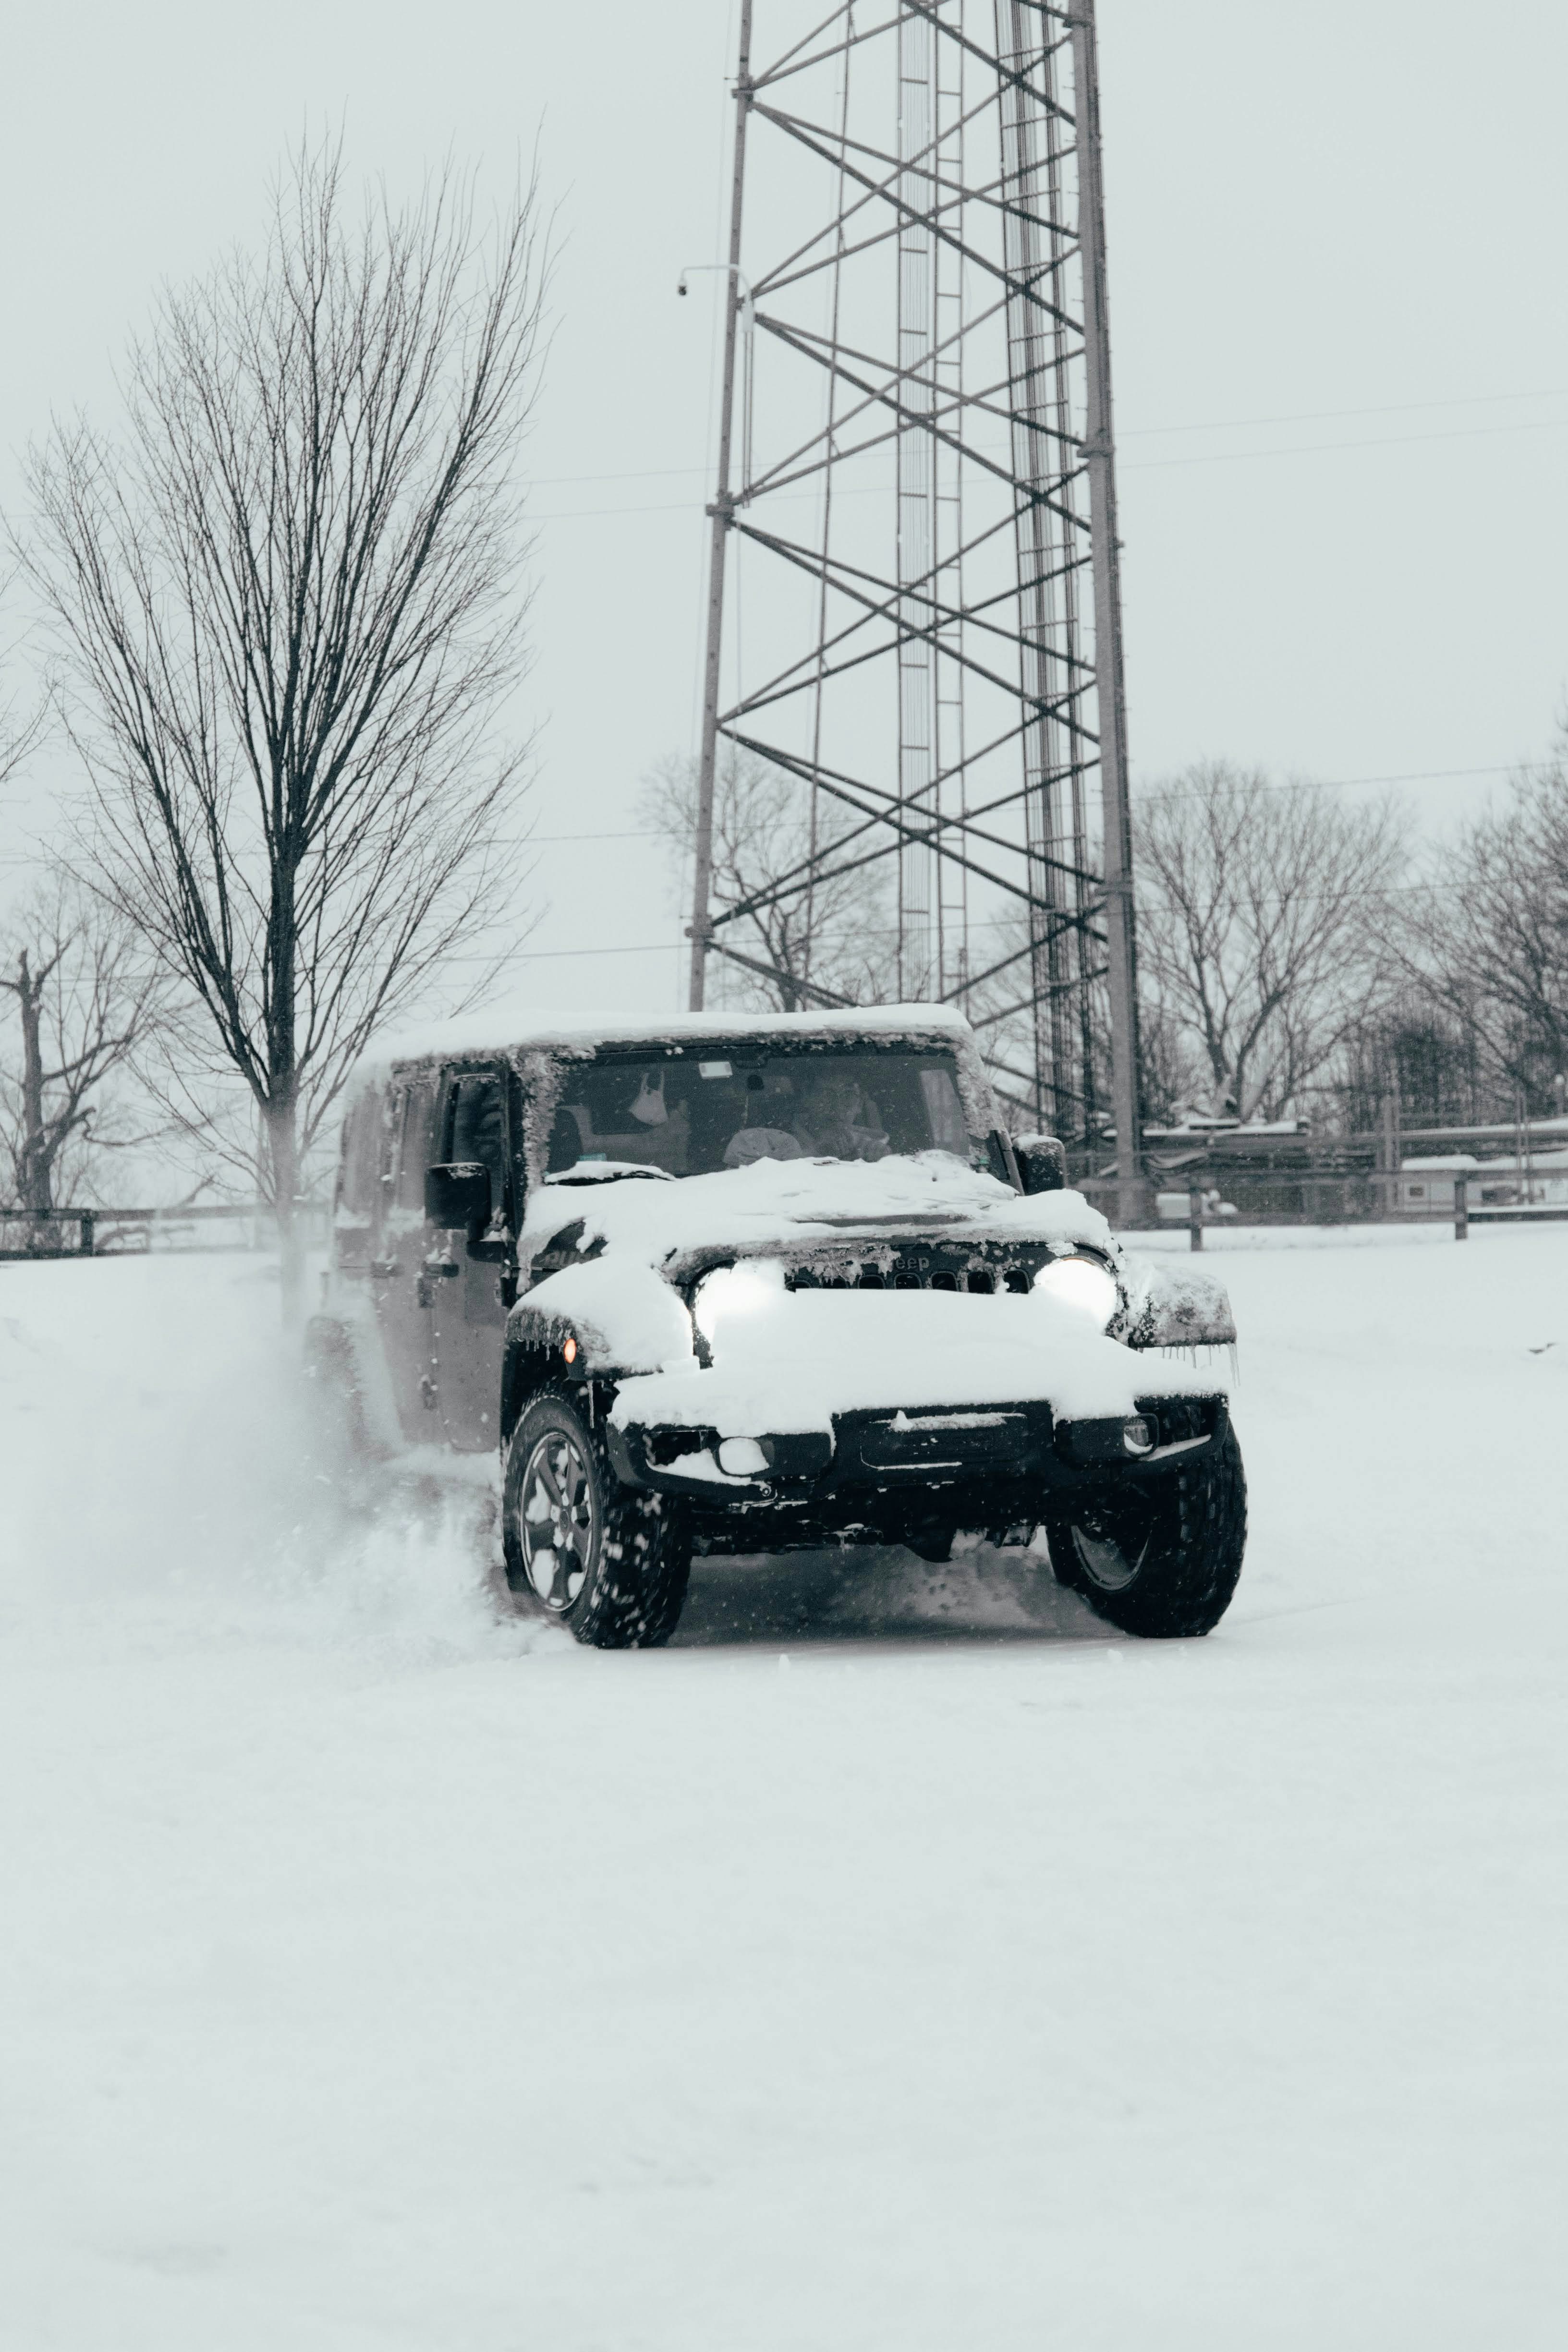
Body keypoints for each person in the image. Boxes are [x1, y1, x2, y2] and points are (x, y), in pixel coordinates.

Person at [788, 1067, 888, 1161]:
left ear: (860, 1104)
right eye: (826, 1095)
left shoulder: (872, 1149)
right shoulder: (779, 1143)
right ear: (807, 1098)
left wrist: (880, 1160)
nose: (837, 1107)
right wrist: (819, 1153)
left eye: (848, 1095)